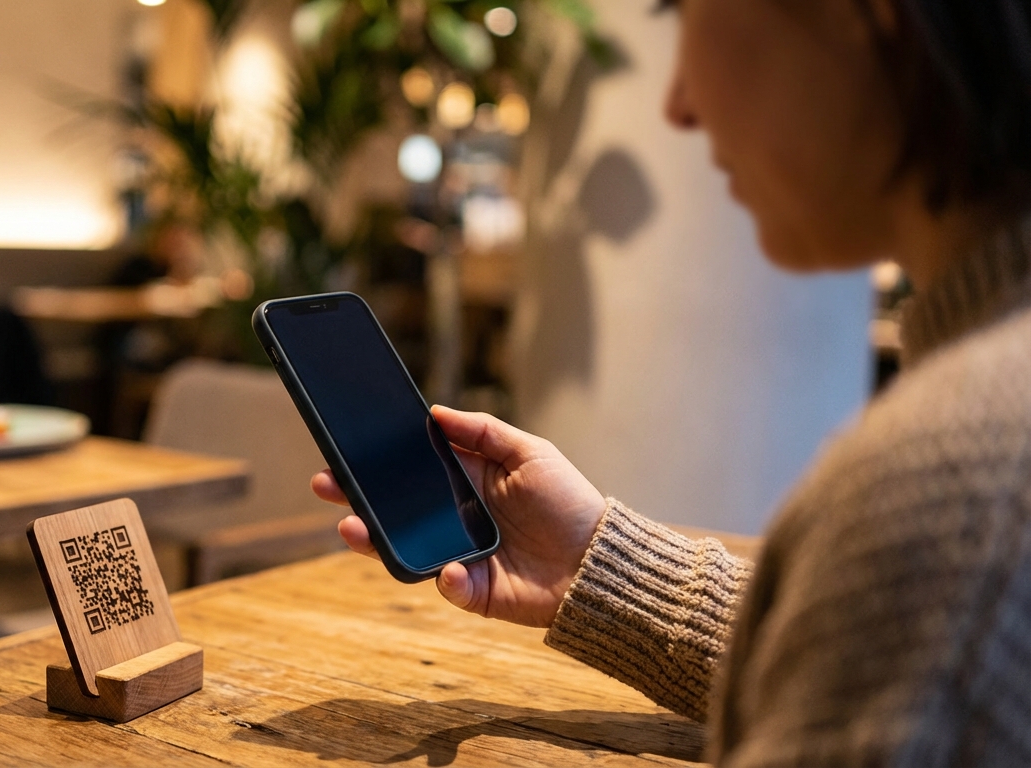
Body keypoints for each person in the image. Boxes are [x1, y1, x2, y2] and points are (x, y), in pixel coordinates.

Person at [314, 0, 1031, 764]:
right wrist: (594, 563)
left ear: (867, 19)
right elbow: (887, 650)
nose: (678, 105)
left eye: (692, 18)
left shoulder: (958, 492)